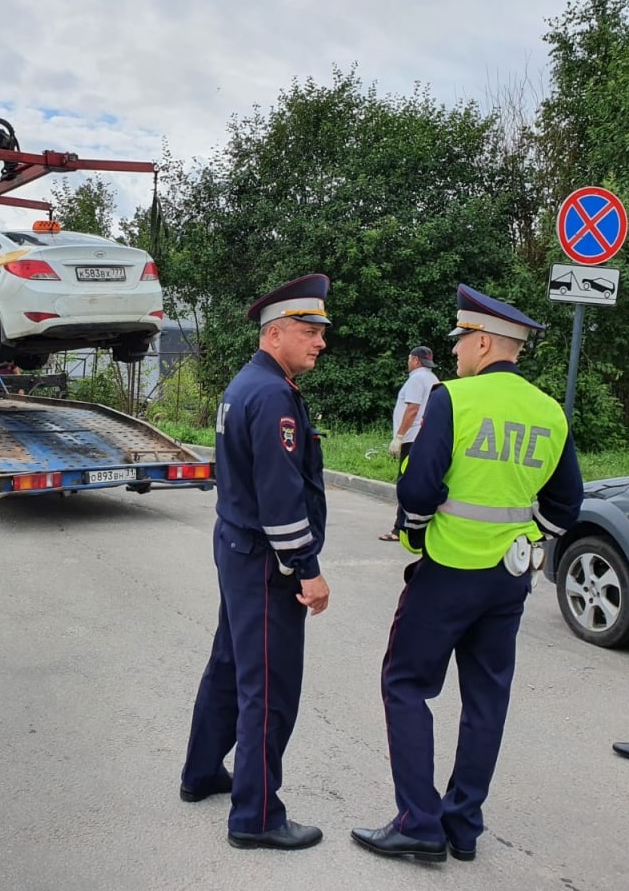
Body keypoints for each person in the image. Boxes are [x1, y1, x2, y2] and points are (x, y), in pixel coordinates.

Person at [351, 284, 584, 863]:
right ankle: (463, 826)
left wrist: (417, 529)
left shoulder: (454, 399)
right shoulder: (549, 411)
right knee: (486, 700)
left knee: (405, 684)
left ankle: (419, 823)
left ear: (484, 342)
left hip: (448, 569)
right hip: (508, 579)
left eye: (461, 342)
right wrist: (531, 541)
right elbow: (566, 502)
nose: (454, 353)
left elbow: (419, 489)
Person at [181, 274, 332, 851]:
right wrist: (308, 568)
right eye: (308, 330)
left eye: (320, 330)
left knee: (230, 664)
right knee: (268, 686)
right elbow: (281, 497)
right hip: (268, 560)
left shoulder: (251, 383)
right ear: (275, 334)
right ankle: (258, 815)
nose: (319, 341)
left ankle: (200, 773)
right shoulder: (271, 395)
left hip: (239, 550)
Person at [379, 346, 439, 542]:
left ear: (415, 360)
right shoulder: (433, 379)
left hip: (412, 437)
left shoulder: (416, 379)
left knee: (406, 483)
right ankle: (422, 528)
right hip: (427, 437)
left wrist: (399, 437)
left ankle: (400, 529)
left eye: (409, 359)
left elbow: (412, 409)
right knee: (421, 483)